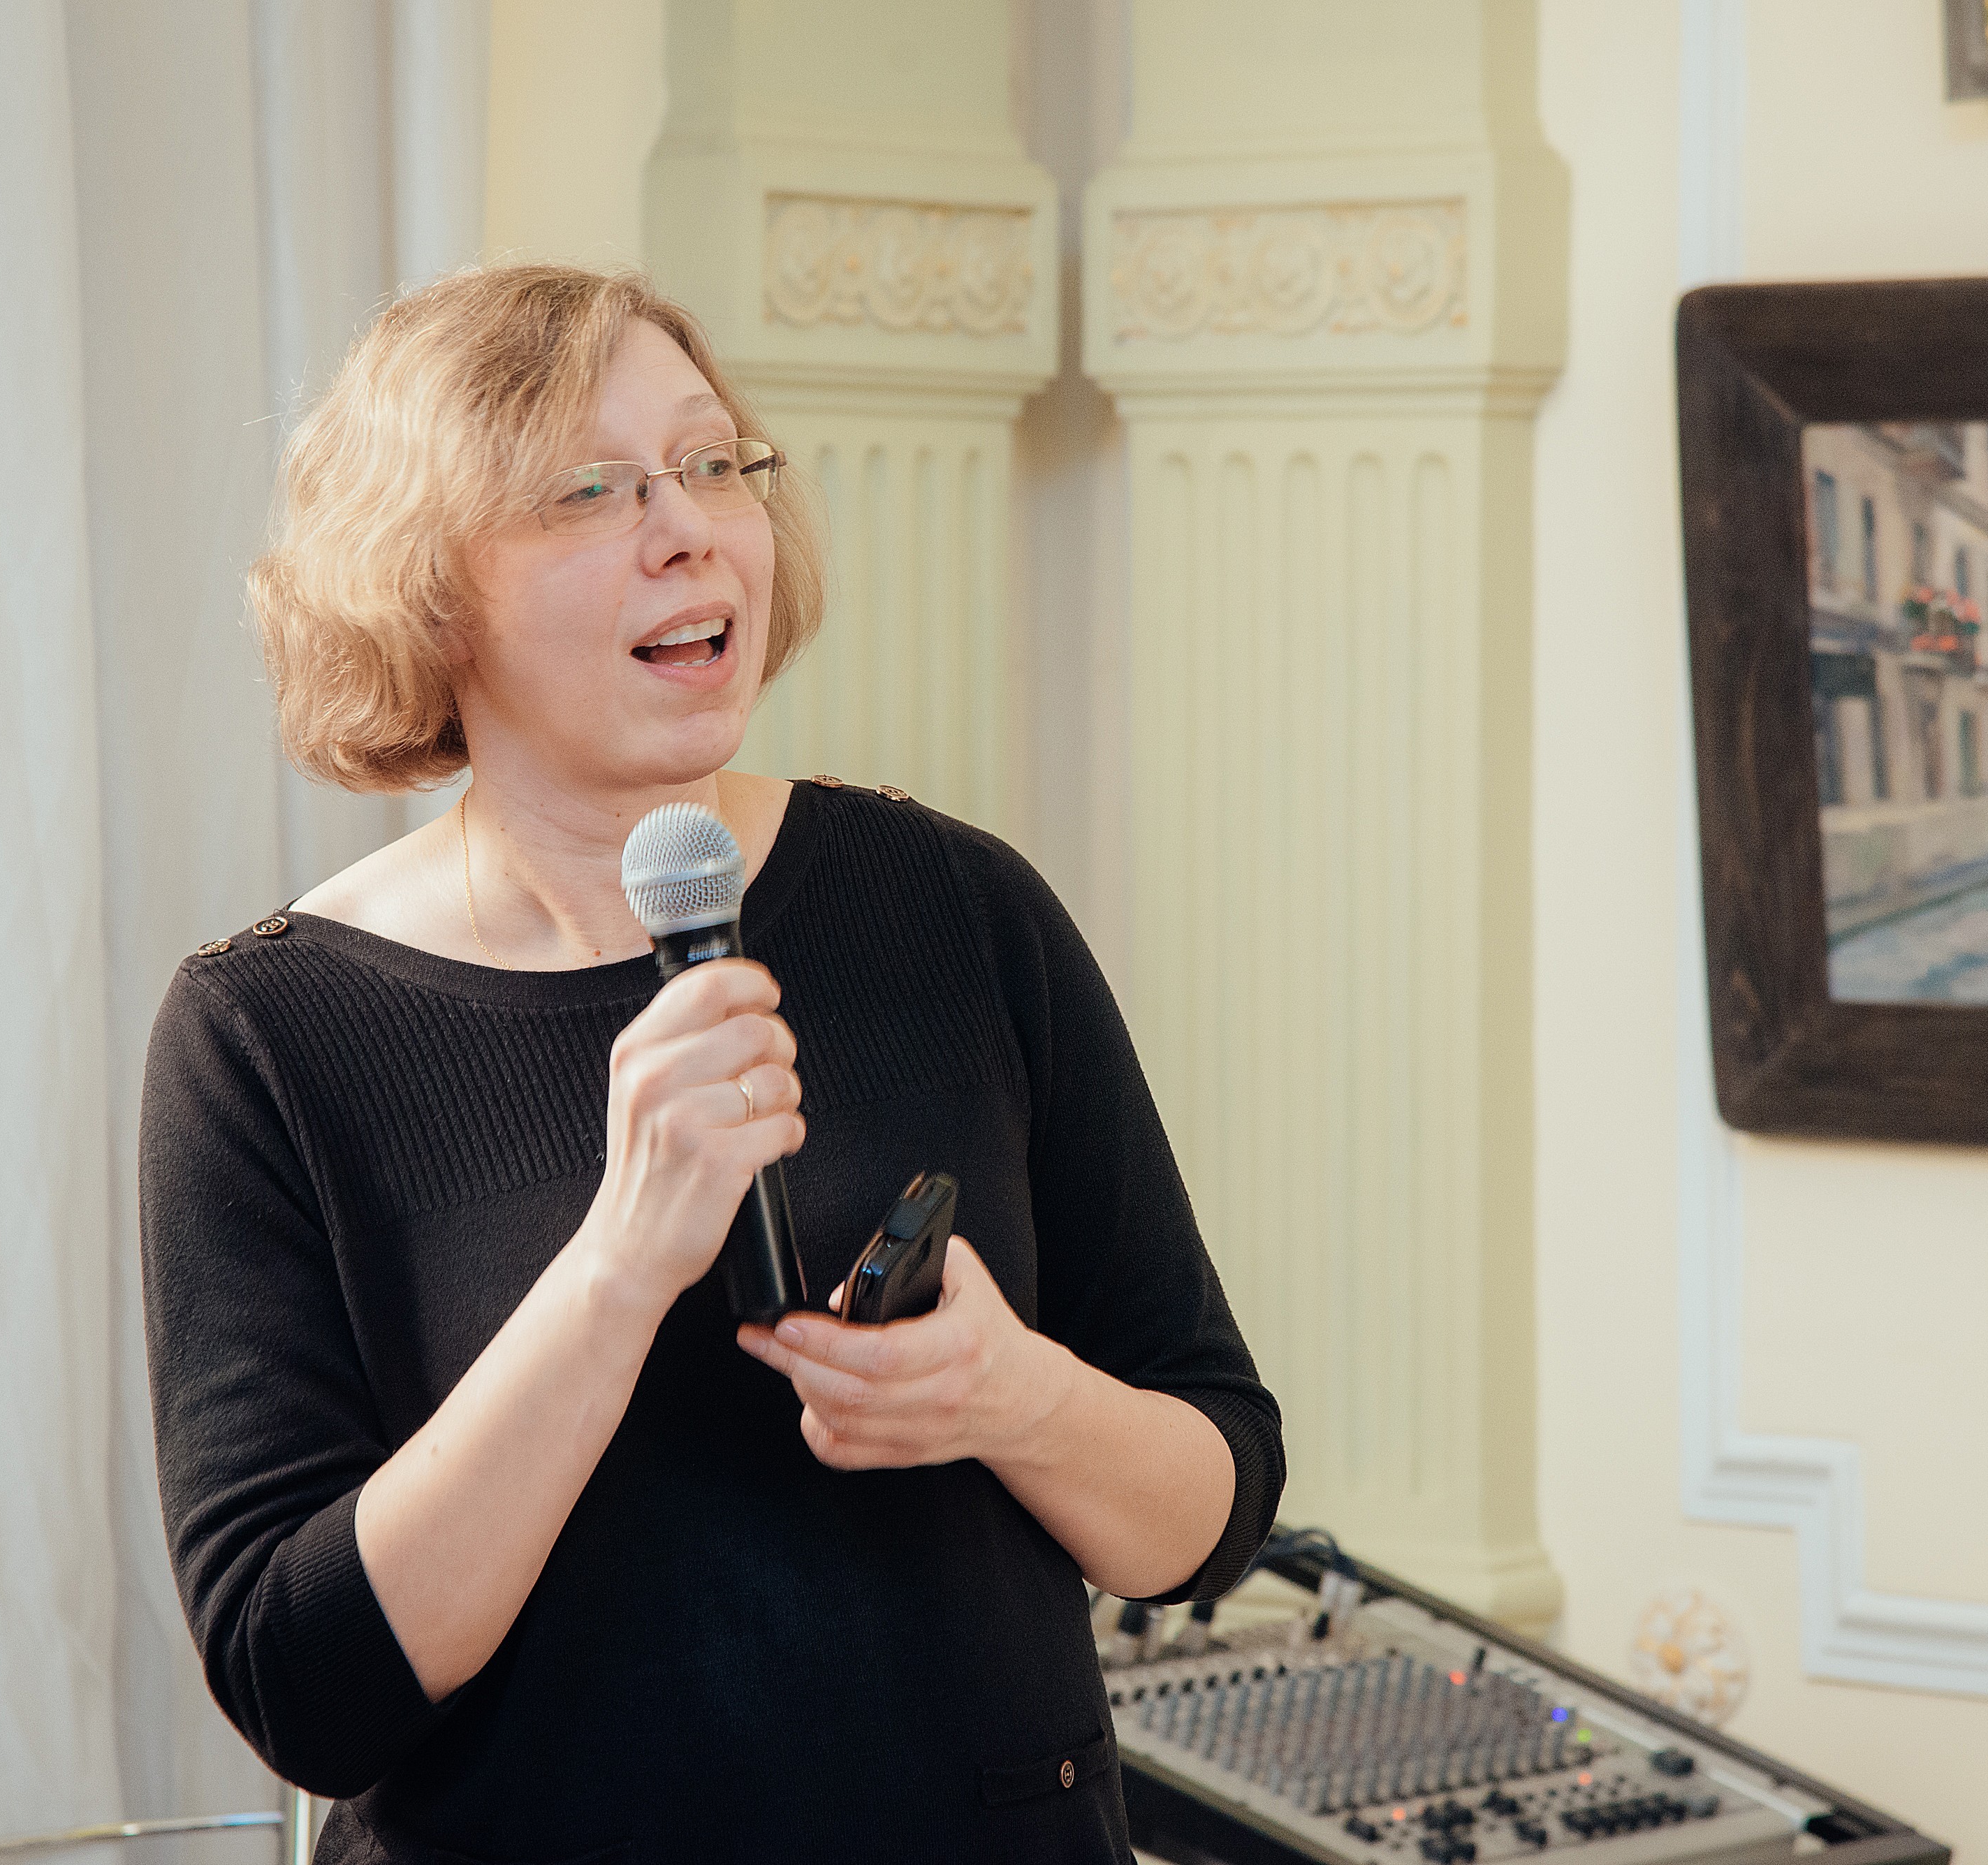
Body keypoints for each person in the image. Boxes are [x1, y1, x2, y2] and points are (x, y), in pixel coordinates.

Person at [139, 263, 1282, 1863]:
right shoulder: (265, 1032)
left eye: (710, 462)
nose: (685, 527)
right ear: (422, 590)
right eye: (586, 489)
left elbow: (1211, 1511)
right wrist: (618, 1264)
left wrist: (1013, 1397)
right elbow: (302, 1685)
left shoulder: (953, 903)